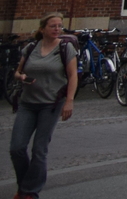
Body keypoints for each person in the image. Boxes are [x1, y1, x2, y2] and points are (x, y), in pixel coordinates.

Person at [10, 11, 76, 199]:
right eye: (53, 26)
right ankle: (24, 186)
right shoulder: (31, 48)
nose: (57, 29)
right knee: (17, 148)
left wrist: (69, 101)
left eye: (59, 26)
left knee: (39, 150)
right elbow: (17, 72)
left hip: (51, 104)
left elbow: (73, 76)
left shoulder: (65, 48)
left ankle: (30, 192)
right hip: (28, 104)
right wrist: (21, 77)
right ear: (42, 29)